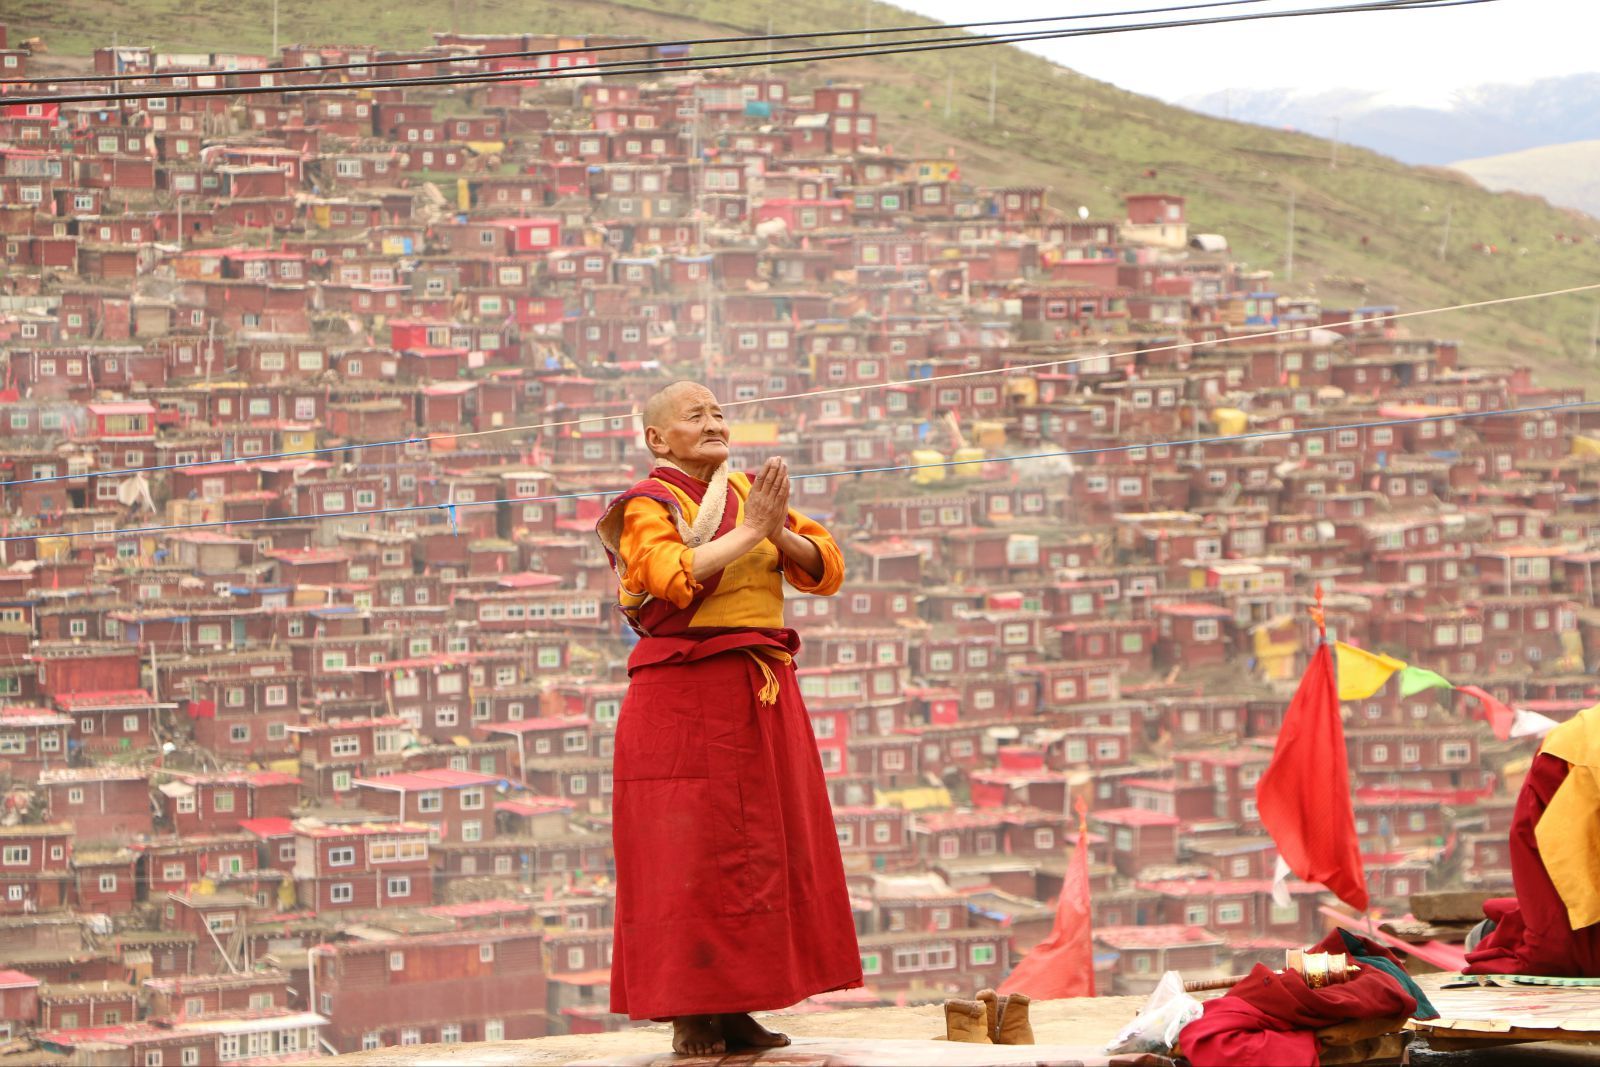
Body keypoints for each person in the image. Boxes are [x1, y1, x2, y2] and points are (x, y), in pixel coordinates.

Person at [594, 381, 863, 1056]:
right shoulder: (646, 506)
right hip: (681, 700)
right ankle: (689, 1012)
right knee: (685, 855)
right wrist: (749, 533)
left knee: (755, 854)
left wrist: (773, 530)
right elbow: (668, 574)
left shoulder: (751, 493)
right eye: (696, 415)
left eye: (719, 413)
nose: (714, 423)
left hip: (759, 694)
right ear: (659, 439)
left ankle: (738, 1005)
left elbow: (824, 566)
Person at [1464, 702, 1600, 977]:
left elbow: (1543, 879)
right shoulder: (1573, 746)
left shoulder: (1573, 746)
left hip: (1586, 939)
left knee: (1500, 938)